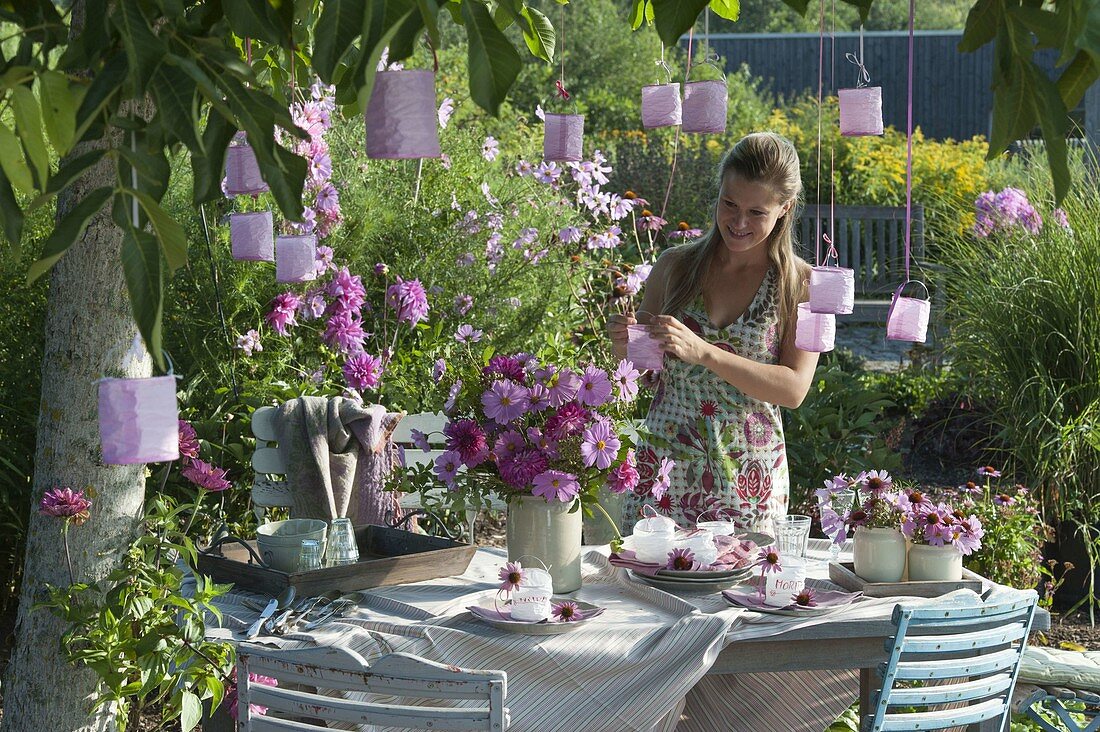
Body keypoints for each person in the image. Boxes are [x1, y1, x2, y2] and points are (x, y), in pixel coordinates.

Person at [609, 132, 819, 534]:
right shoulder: (674, 267)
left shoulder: (800, 284)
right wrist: (625, 347)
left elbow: (794, 389)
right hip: (663, 477)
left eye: (756, 212)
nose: (738, 223)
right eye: (729, 204)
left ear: (785, 208)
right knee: (648, 593)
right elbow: (642, 378)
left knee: (744, 597)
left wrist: (705, 352)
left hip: (748, 478)